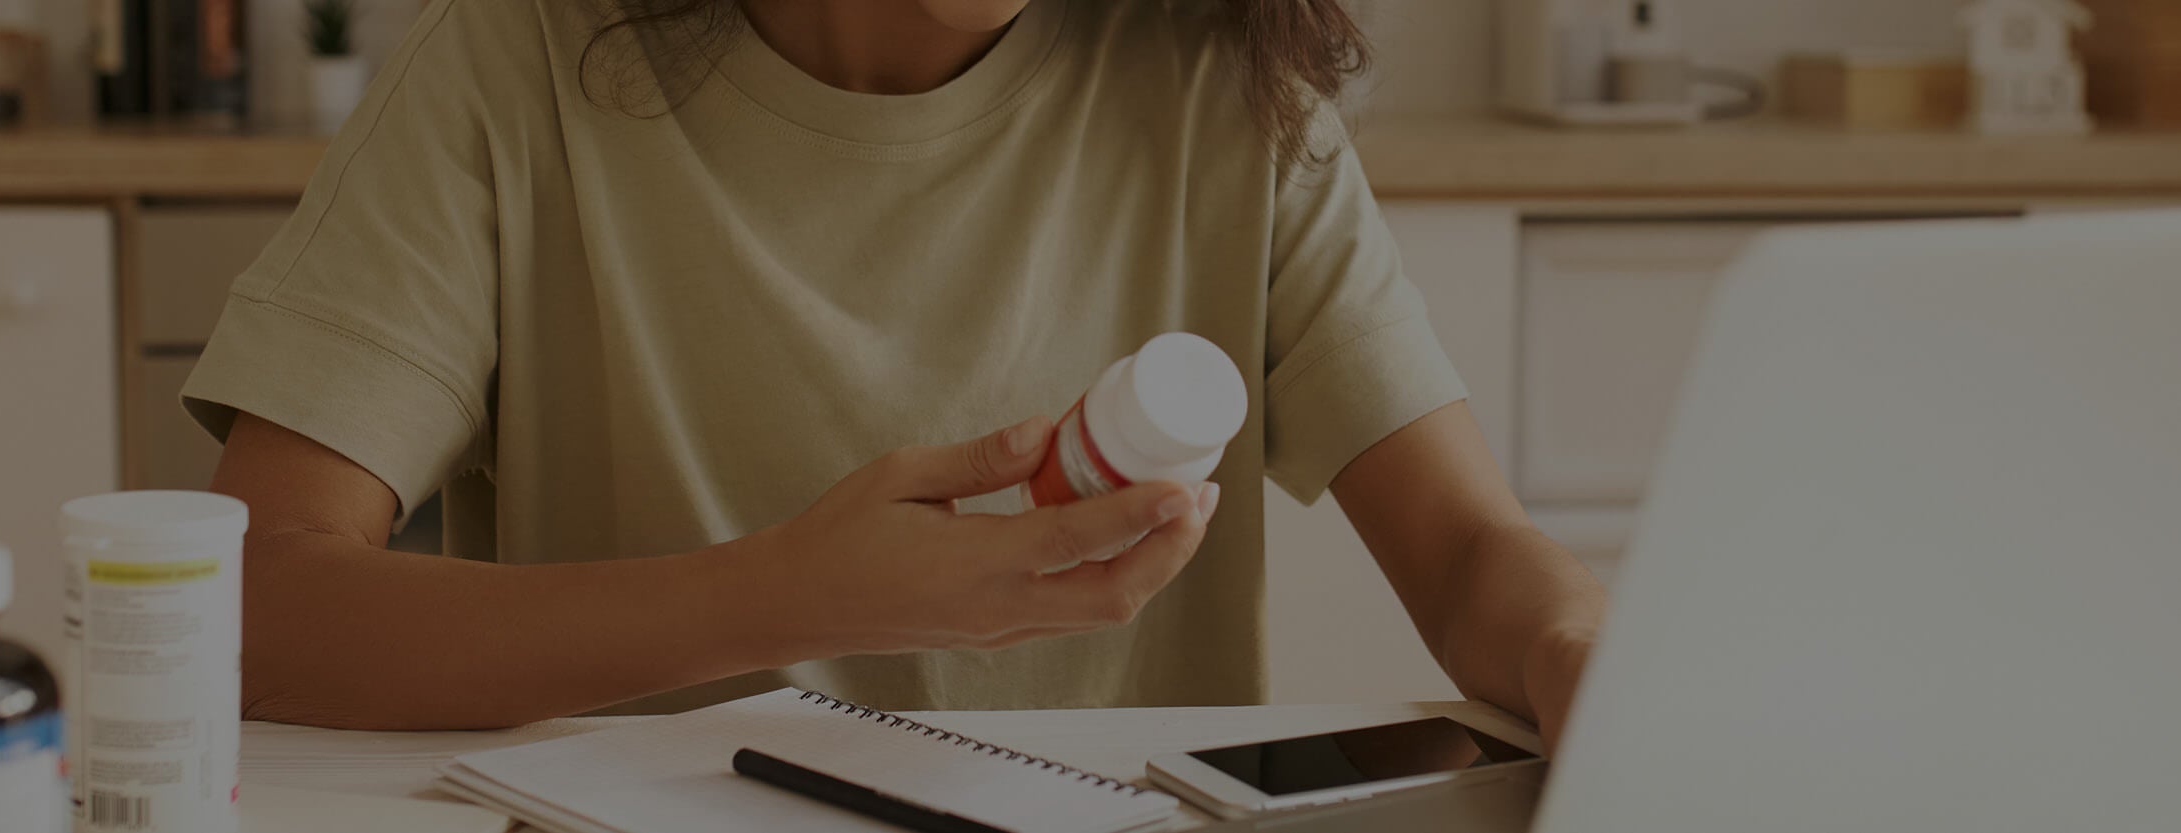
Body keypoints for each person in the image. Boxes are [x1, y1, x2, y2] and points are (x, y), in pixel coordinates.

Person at [184, 0, 1609, 744]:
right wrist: (784, 596)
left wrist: (1582, 653)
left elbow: (1475, 549)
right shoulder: (519, 60)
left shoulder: (1218, 79)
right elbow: (251, 607)